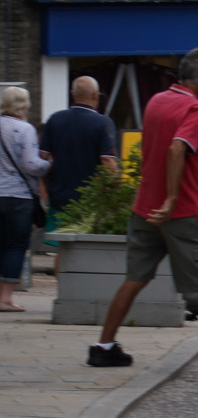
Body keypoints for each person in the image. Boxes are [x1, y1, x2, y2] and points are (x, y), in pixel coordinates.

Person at [88, 48, 198, 379]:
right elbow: (176, 149)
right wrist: (172, 198)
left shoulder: (157, 101)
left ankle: (104, 347)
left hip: (144, 207)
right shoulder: (194, 108)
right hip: (181, 210)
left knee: (135, 277)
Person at [0, 85, 52, 314]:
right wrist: (50, 164)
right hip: (18, 197)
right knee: (15, 245)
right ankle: (6, 298)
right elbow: (31, 165)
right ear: (23, 105)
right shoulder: (25, 129)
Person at [40, 76, 120, 225]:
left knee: (59, 244)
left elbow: (43, 159)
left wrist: (44, 191)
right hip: (91, 202)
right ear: (96, 95)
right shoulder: (103, 123)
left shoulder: (54, 120)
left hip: (59, 199)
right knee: (87, 246)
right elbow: (107, 161)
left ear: (72, 94)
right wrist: (116, 191)